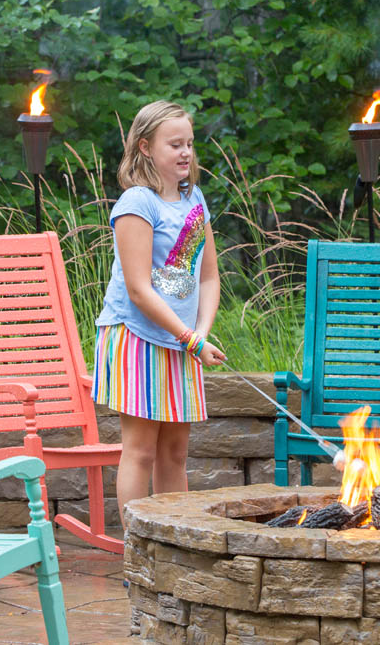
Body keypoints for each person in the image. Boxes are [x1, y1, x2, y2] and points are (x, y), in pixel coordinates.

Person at [92, 100, 225, 529]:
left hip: (182, 341)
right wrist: (190, 337)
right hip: (136, 337)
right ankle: (138, 550)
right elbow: (138, 288)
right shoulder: (137, 202)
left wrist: (200, 334)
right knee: (142, 451)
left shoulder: (195, 200)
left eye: (189, 143)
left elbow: (207, 278)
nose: (185, 152)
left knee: (175, 454)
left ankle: (173, 545)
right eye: (174, 144)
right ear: (146, 147)